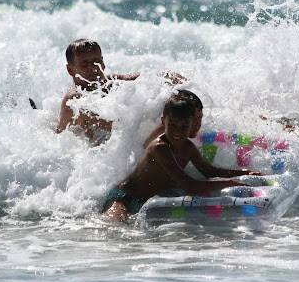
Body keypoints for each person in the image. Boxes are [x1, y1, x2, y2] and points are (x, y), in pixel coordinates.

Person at [103, 93, 261, 222]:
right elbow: (190, 186)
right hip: (123, 199)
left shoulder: (188, 148)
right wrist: (230, 182)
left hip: (144, 203)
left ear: (193, 125)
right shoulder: (159, 148)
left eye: (184, 126)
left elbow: (209, 171)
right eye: (172, 125)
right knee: (114, 228)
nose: (177, 132)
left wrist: (245, 172)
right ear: (164, 122)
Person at [56, 39, 185, 145]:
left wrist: (170, 77)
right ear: (70, 70)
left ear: (103, 62)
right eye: (85, 63)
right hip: (81, 160)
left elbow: (141, 76)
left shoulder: (107, 82)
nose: (93, 68)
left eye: (96, 61)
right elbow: (119, 127)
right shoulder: (75, 100)